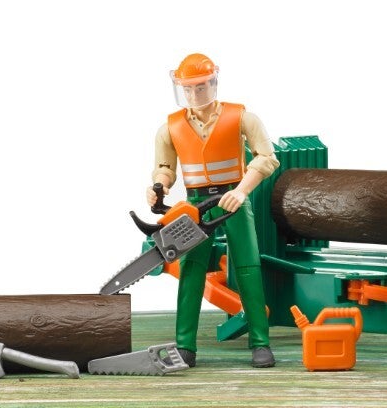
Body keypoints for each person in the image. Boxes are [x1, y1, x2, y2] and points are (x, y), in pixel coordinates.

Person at [147, 53, 279, 368]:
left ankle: (260, 342)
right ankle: (185, 345)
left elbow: (267, 158)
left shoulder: (241, 117)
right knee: (191, 269)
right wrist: (159, 186)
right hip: (195, 203)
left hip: (233, 197)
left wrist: (242, 190)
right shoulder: (170, 127)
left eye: (201, 86)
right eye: (187, 88)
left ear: (213, 82)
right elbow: (164, 167)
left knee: (248, 266)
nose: (194, 94)